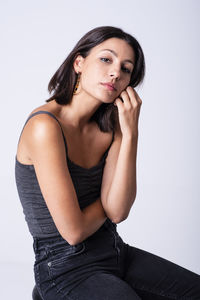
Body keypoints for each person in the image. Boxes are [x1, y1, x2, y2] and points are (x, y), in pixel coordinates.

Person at [15, 26, 200, 300]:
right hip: (65, 269)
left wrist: (130, 132)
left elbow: (119, 211)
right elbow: (74, 231)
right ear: (79, 63)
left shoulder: (112, 126)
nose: (116, 72)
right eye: (106, 59)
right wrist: (108, 199)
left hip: (114, 254)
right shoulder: (45, 127)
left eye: (126, 69)